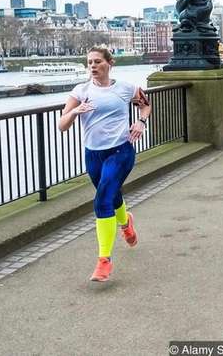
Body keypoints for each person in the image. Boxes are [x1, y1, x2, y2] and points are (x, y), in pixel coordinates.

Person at [58, 46, 152, 282]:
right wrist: (75, 112)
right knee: (110, 194)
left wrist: (141, 121)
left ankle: (104, 261)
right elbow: (61, 125)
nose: (92, 66)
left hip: (121, 151)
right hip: (93, 155)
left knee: (102, 200)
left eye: (98, 62)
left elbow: (146, 104)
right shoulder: (80, 91)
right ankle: (125, 222)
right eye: (89, 62)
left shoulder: (125, 88)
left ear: (110, 63)